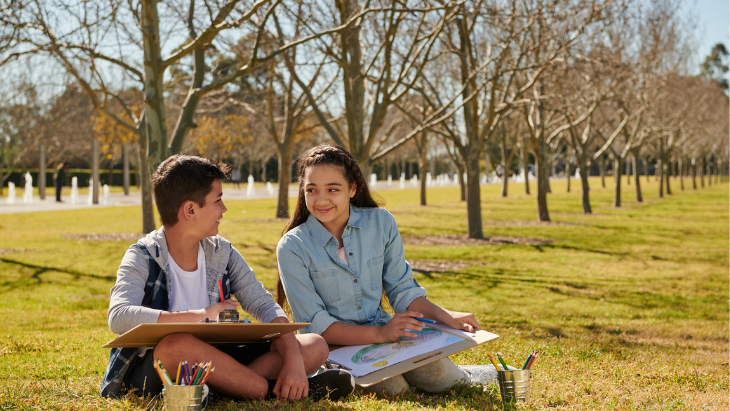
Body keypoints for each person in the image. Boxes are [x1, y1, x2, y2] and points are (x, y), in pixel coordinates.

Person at [101, 155, 354, 402]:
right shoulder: (142, 256)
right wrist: (202, 315)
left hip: (217, 361)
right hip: (161, 370)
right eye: (218, 200)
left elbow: (262, 304)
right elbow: (119, 316)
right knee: (177, 345)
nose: (223, 209)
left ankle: (222, 391)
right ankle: (276, 391)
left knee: (314, 345)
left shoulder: (221, 252)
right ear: (190, 210)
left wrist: (295, 363)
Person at [276, 144, 497, 396]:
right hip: (335, 349)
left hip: (387, 337)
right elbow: (318, 326)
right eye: (311, 190)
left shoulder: (381, 223)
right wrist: (381, 333)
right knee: (394, 389)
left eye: (333, 189)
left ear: (352, 189)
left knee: (438, 375)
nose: (321, 199)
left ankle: (469, 375)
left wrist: (446, 316)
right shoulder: (292, 247)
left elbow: (403, 291)